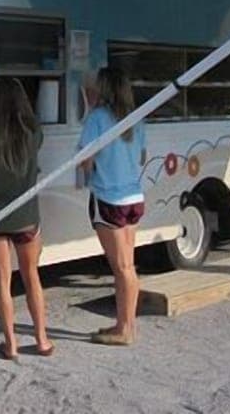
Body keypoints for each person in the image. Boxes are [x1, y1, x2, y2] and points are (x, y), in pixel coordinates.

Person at [0, 77, 53, 360]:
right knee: (32, 276)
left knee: (2, 281)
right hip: (27, 218)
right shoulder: (34, 133)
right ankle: (42, 340)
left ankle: (10, 344)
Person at [78, 67, 147, 346]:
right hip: (133, 198)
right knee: (127, 266)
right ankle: (124, 324)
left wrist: (90, 173)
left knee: (123, 268)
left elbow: (86, 159)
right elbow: (142, 157)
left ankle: (126, 330)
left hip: (109, 199)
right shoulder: (136, 119)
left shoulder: (97, 118)